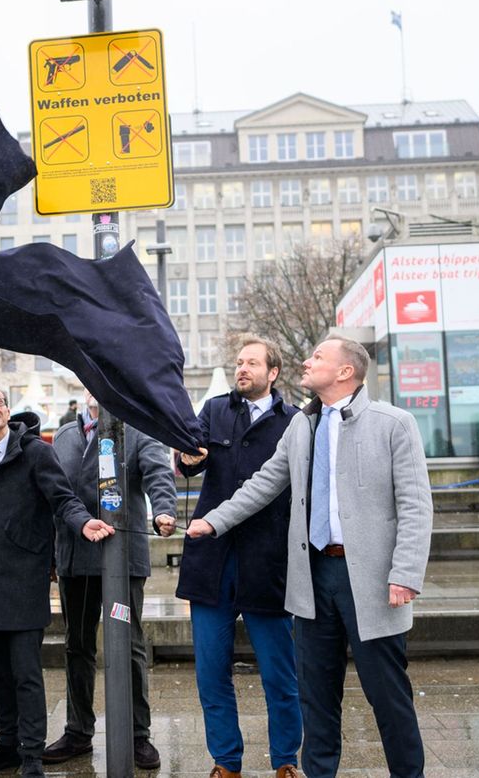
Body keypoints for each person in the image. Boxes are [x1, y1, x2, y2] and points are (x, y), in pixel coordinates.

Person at [186, 333, 434, 778]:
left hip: (372, 581)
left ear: (345, 371)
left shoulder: (393, 423)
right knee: (316, 697)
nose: (306, 362)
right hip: (313, 577)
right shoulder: (302, 425)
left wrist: (406, 573)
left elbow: (416, 505)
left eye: (318, 356)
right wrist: (214, 521)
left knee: (388, 696)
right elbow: (265, 483)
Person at [0, 383, 115, 778]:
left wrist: (83, 522)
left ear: (7, 410)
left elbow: (62, 498)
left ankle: (31, 754)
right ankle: (7, 745)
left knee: (26, 673)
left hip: (24, 581)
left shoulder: (34, 452)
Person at [175, 337, 303, 778]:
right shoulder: (214, 409)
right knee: (211, 673)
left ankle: (286, 761)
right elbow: (188, 461)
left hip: (268, 561)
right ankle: (226, 763)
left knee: (280, 675)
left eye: (252, 362)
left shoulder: (295, 421)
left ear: (273, 373)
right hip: (212, 561)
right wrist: (187, 457)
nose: (242, 368)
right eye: (239, 362)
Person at [42, 392, 177, 770]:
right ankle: (77, 731)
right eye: (89, 382)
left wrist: (164, 510)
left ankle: (137, 734)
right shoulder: (65, 435)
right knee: (77, 645)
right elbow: (53, 493)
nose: (95, 389)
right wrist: (51, 555)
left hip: (123, 557)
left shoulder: (138, 430)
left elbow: (159, 473)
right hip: (76, 557)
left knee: (130, 644)